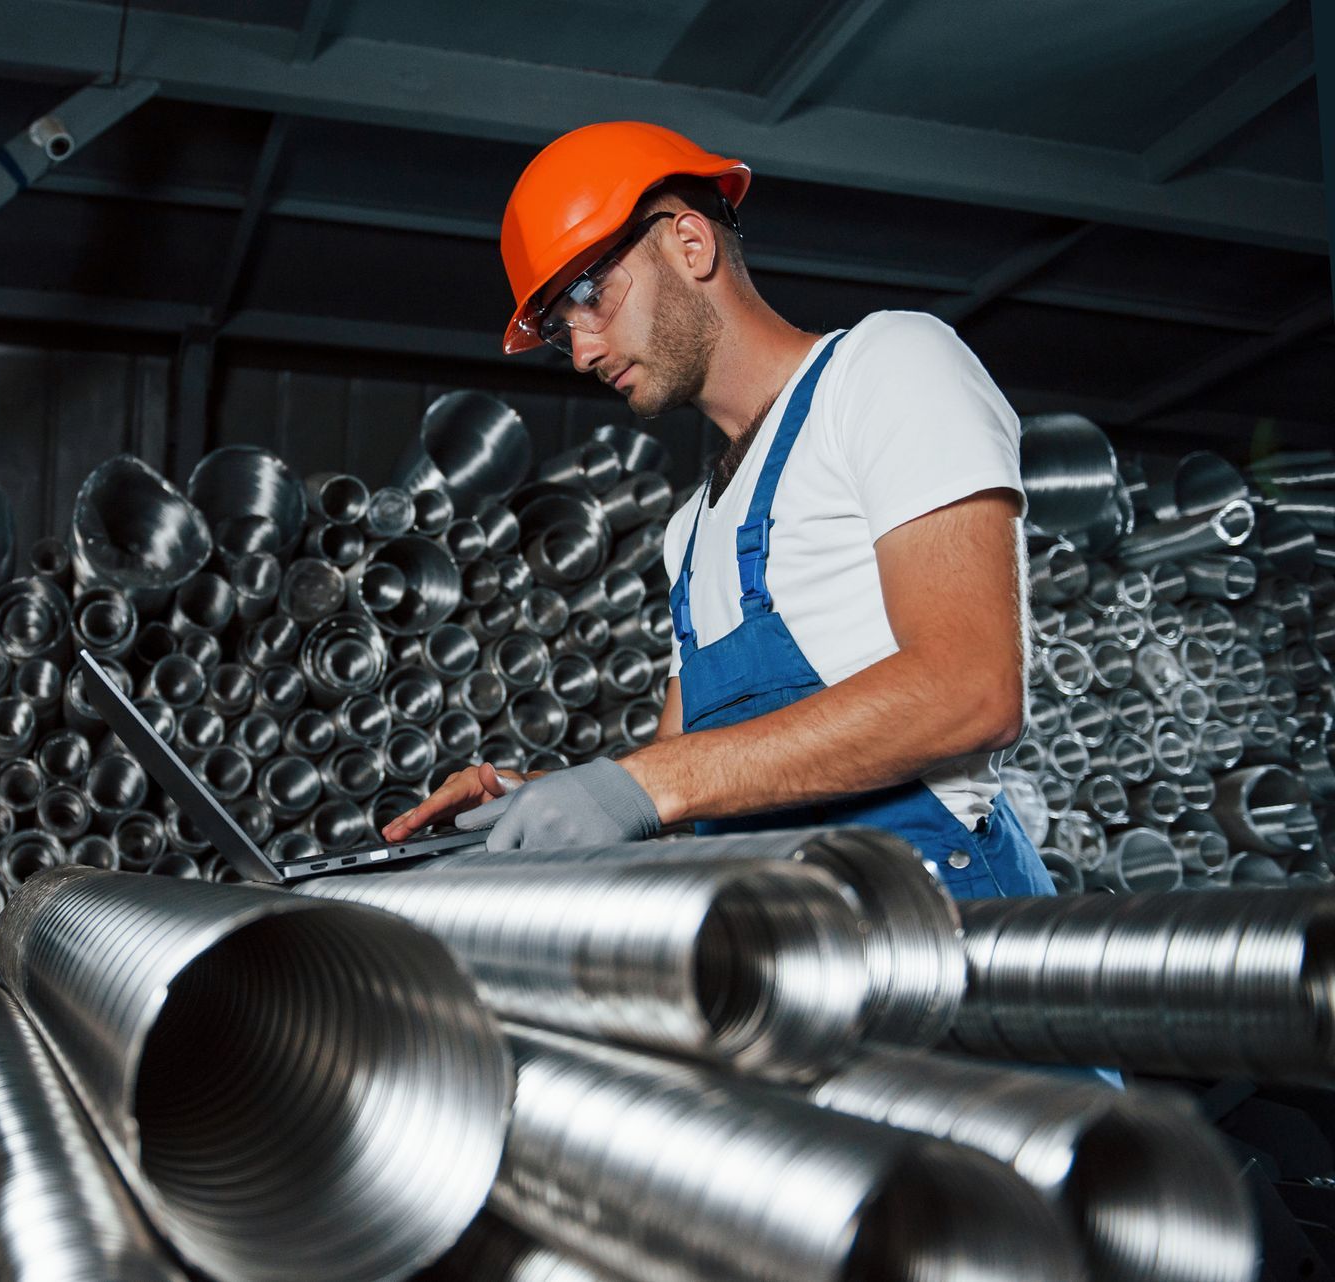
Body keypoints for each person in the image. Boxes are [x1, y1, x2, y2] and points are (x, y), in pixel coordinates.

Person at [381, 120, 1052, 901]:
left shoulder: (885, 368)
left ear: (690, 245)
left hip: (942, 917)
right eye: (566, 329)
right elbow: (691, 782)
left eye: (590, 297)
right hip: (794, 940)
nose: (587, 351)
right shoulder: (690, 532)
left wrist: (638, 784)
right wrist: (547, 799)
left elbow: (969, 689)